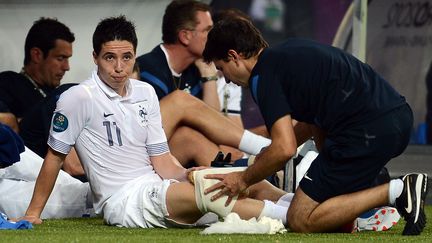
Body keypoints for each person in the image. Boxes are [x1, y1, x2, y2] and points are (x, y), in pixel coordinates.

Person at [21, 15, 290, 228]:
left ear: (135, 56)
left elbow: (161, 160)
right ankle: (295, 218)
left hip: (157, 186)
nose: (119, 67)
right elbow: (54, 158)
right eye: (109, 57)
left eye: (126, 57)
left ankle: (300, 205)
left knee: (237, 179)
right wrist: (33, 213)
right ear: (95, 58)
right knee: (212, 192)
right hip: (123, 202)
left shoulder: (145, 92)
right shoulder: (77, 98)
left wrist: (188, 174)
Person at [202, 18, 428, 235]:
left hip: (365, 132)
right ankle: (371, 185)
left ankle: (398, 191)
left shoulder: (263, 77)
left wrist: (242, 179)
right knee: (324, 194)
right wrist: (266, 156)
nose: (227, 79)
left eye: (222, 69)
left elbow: (284, 149)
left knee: (300, 219)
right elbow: (311, 123)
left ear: (234, 56)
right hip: (397, 118)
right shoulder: (290, 52)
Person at [137, 0, 251, 166]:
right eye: (208, 30)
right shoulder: (147, 70)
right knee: (188, 137)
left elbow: (211, 125)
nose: (214, 36)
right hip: (143, 161)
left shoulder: (194, 70)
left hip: (176, 161)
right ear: (185, 36)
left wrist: (209, 76)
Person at [0, 17, 74, 133]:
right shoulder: (9, 83)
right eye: (60, 58)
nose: (66, 67)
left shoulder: (59, 95)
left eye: (67, 59)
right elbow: (5, 121)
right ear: (37, 55)